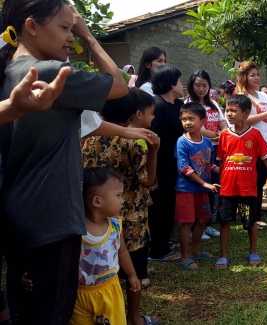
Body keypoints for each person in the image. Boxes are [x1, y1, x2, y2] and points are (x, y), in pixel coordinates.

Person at [0, 1, 128, 324]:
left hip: (20, 221)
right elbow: (119, 84)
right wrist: (89, 36)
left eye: (73, 30)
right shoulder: (51, 73)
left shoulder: (8, 73)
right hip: (53, 223)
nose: (70, 37)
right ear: (31, 26)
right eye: (64, 28)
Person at [82, 89, 161, 325]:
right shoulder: (134, 143)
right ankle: (133, 317)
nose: (152, 117)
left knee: (104, 273)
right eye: (150, 113)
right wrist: (154, 152)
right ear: (133, 115)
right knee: (133, 274)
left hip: (96, 217)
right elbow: (147, 180)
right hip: (130, 218)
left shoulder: (91, 137)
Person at [216, 94, 267, 269]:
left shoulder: (255, 134)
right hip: (228, 189)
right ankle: (223, 255)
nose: (228, 114)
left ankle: (253, 251)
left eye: (233, 110)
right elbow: (222, 161)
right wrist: (221, 183)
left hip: (248, 189)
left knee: (250, 221)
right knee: (226, 221)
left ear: (245, 114)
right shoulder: (224, 136)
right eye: (227, 110)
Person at [70, 167, 141, 325]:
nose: (123, 200)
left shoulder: (116, 226)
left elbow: (122, 252)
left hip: (108, 291)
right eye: (118, 195)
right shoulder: (75, 229)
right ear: (97, 201)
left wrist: (132, 275)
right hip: (78, 294)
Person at [175, 102, 220, 269]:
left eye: (191, 119)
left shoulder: (207, 142)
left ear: (203, 121)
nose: (187, 122)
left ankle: (194, 251)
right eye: (184, 119)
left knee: (203, 219)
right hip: (186, 189)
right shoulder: (182, 142)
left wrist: (225, 171)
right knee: (187, 223)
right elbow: (184, 167)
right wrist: (204, 183)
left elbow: (209, 165)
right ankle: (183, 257)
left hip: (202, 189)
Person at [147, 65, 185, 262]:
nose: (182, 84)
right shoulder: (157, 105)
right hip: (159, 164)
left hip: (174, 163)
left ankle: (163, 241)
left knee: (169, 203)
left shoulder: (178, 105)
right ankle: (157, 249)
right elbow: (149, 135)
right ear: (171, 84)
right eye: (179, 80)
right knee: (159, 205)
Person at [235, 61, 267, 230]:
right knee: (249, 183)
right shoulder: (243, 97)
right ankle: (247, 216)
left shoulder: (264, 96)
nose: (256, 78)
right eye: (252, 75)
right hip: (250, 145)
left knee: (259, 182)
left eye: (257, 74)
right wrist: (265, 114)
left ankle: (256, 216)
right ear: (244, 77)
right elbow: (242, 119)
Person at [185, 69, 226, 238]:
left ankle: (206, 223)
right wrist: (215, 134)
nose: (201, 89)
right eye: (197, 85)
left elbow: (223, 124)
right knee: (199, 185)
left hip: (215, 148)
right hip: (198, 149)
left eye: (205, 85)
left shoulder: (213, 104)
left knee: (213, 185)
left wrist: (222, 133)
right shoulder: (188, 103)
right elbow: (195, 127)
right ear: (191, 85)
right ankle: (194, 225)